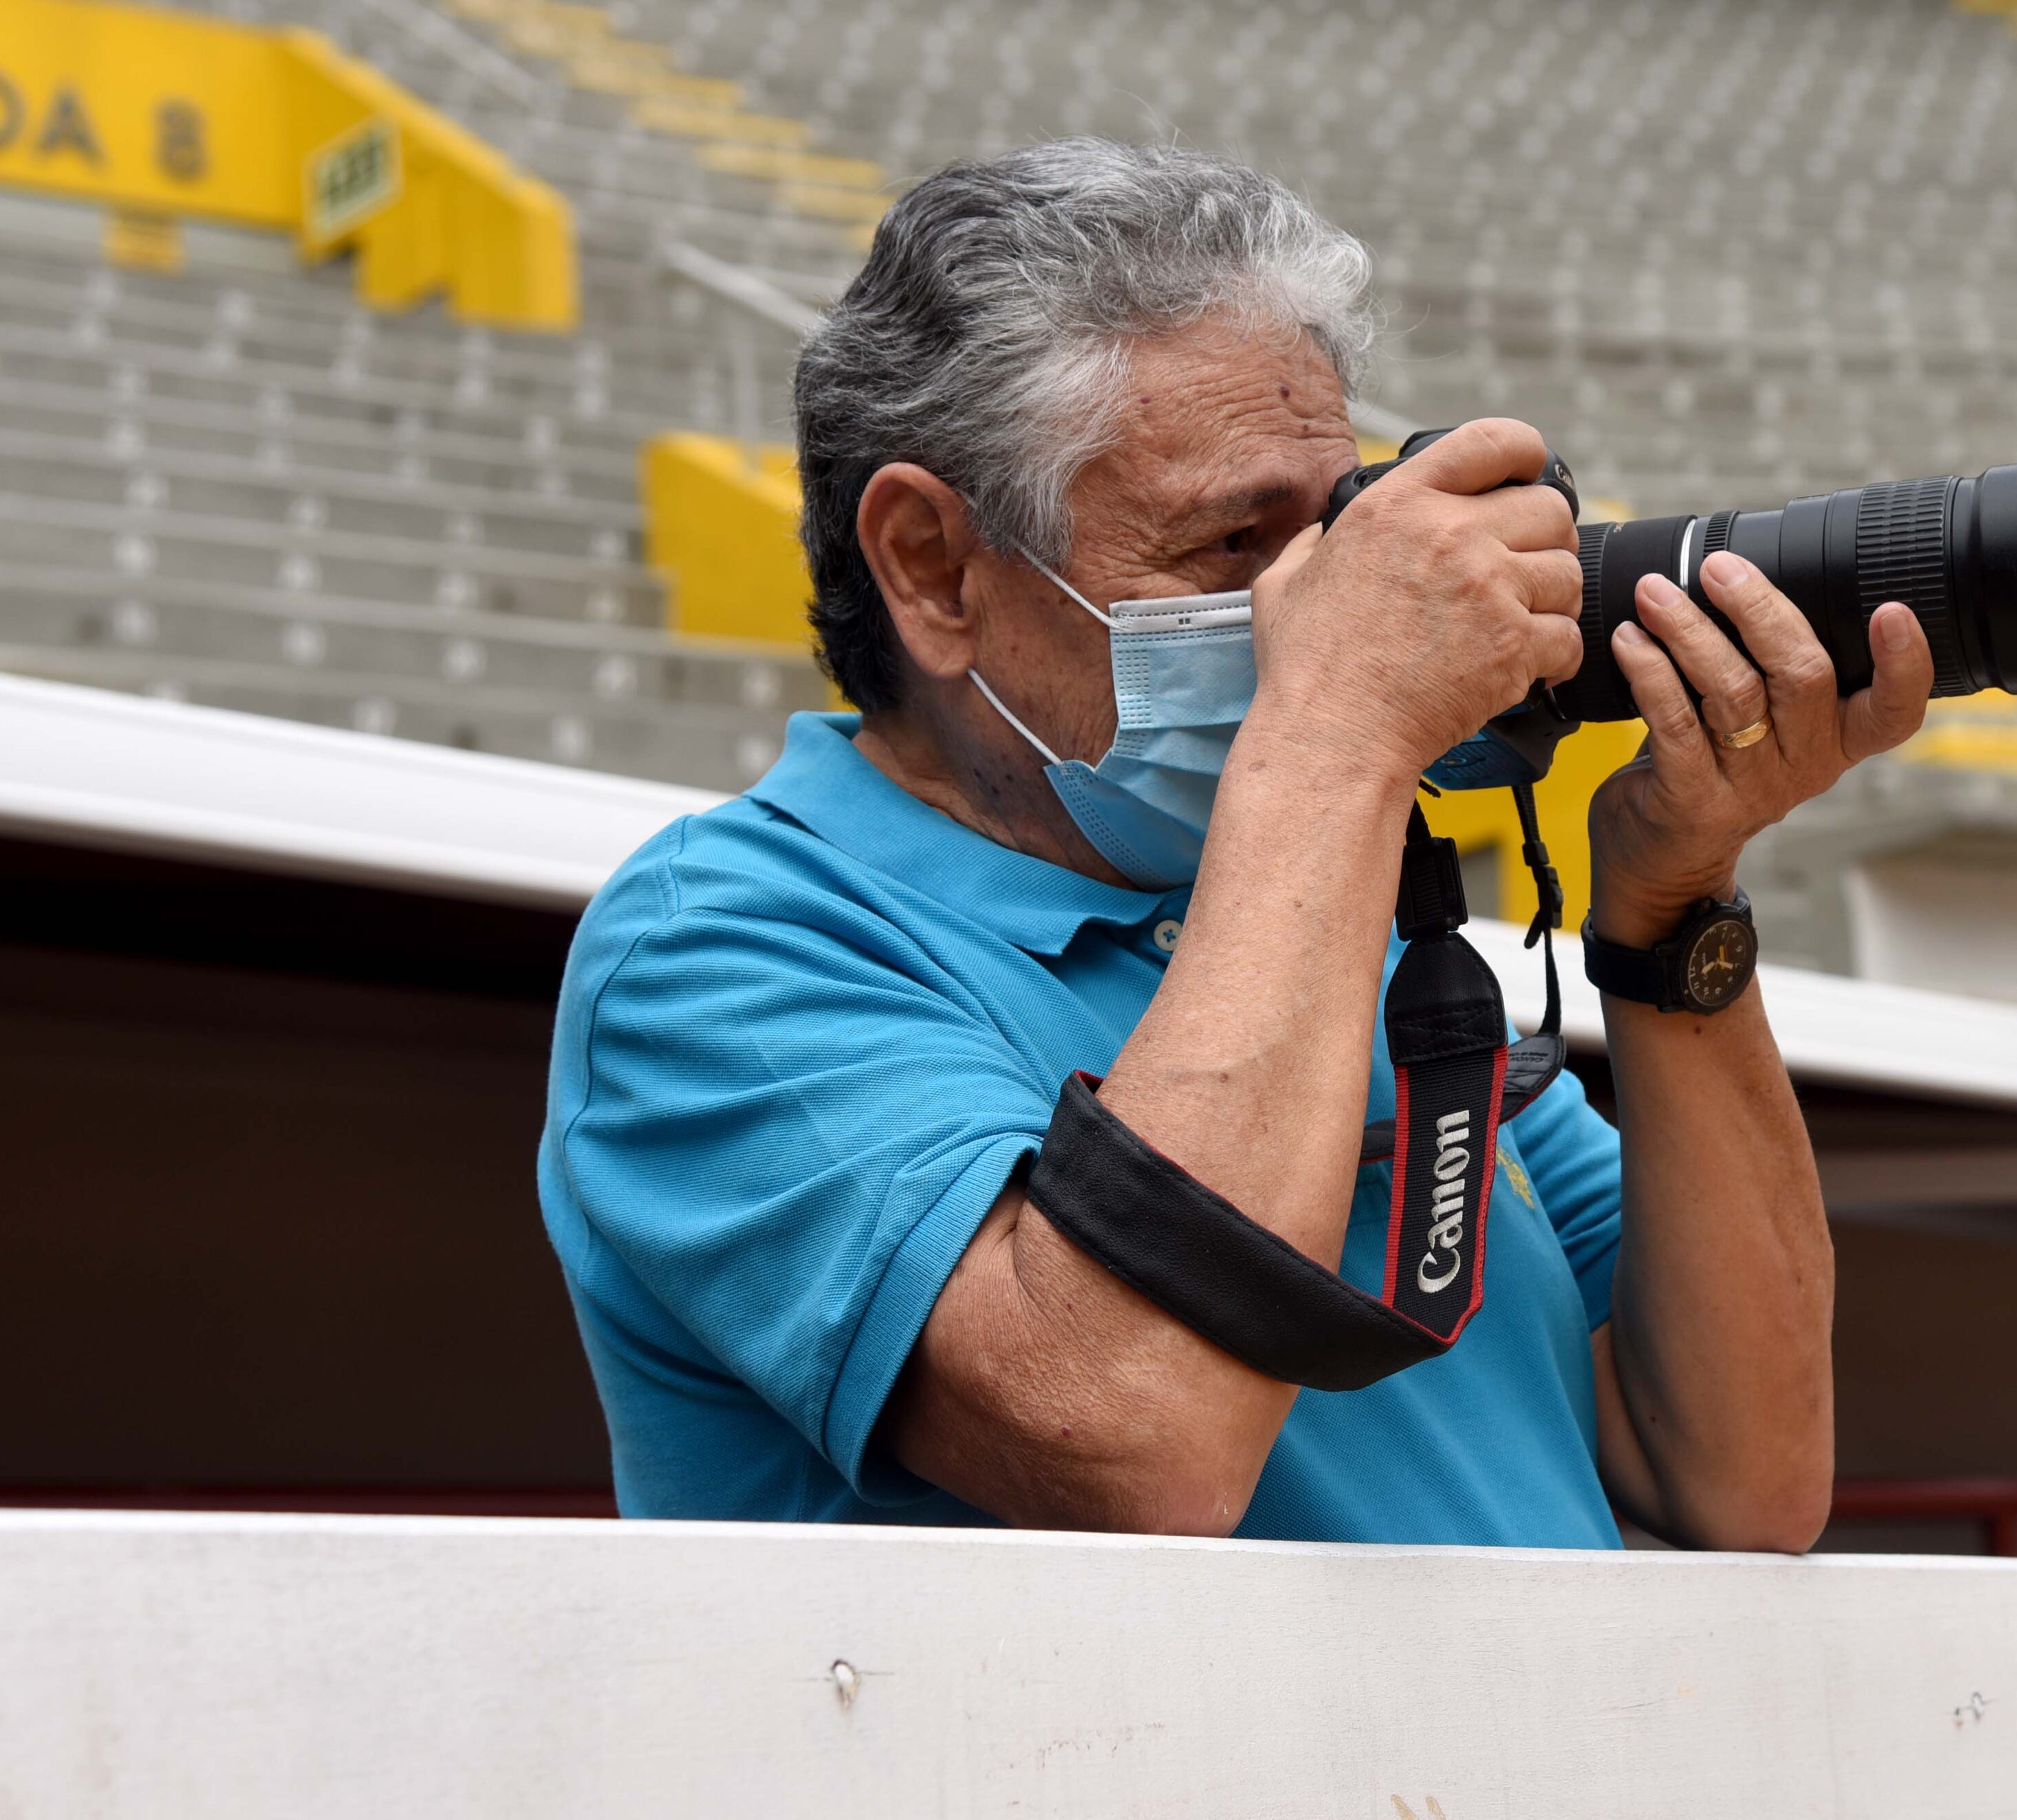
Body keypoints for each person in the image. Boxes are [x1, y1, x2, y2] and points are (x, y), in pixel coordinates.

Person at [537, 139, 1933, 1550]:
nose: (1312, 604)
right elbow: (1136, 1437)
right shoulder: (720, 950)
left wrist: (1670, 912)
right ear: (933, 566)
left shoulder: (1332, 925)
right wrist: (1337, 733)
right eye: (1230, 544)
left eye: (1332, 534)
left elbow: (1744, 1477)